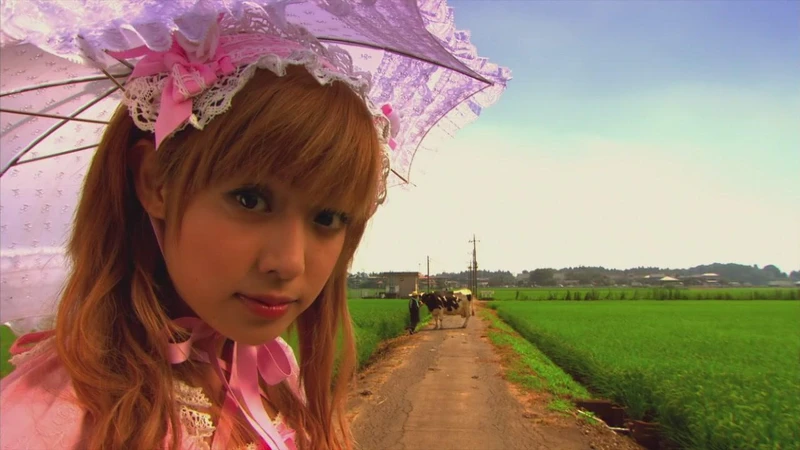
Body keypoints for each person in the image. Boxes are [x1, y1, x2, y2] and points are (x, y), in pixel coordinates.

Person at [0, 15, 392, 450]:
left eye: (328, 218)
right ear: (155, 183)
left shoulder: (272, 370)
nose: (289, 263)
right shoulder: (44, 423)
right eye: (250, 200)